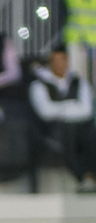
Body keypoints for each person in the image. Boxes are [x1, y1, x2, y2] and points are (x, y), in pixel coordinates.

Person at [29, 47, 96, 192]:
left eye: (63, 60)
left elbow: (87, 110)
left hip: (82, 127)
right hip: (53, 130)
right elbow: (45, 112)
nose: (60, 64)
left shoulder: (79, 82)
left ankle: (91, 175)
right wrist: (72, 106)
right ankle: (82, 176)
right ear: (50, 63)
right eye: (56, 61)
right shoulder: (39, 85)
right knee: (68, 133)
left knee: (91, 134)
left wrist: (61, 109)